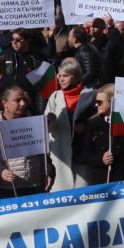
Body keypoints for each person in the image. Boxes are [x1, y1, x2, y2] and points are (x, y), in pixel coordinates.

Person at [0, 84, 47, 199]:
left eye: (24, 99)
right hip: (6, 190)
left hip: (36, 187)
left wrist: (47, 173)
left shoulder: (33, 123)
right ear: (5, 103)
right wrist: (0, 172)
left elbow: (42, 155)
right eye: (17, 100)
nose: (23, 104)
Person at [44, 58, 101, 192]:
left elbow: (100, 120)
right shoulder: (55, 97)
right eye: (60, 76)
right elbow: (48, 130)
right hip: (60, 154)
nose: (61, 80)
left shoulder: (92, 95)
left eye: (66, 76)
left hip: (83, 153)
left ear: (77, 77)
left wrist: (87, 127)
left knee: (85, 194)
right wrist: (49, 121)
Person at [76, 85, 124, 184]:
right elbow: (86, 154)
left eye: (99, 102)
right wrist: (101, 159)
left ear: (113, 101)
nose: (96, 105)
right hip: (104, 179)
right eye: (95, 102)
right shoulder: (93, 124)